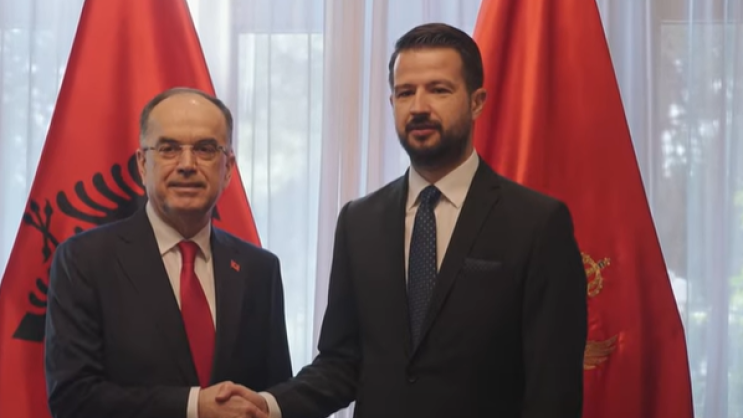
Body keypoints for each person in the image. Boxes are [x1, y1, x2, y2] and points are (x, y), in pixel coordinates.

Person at [221, 22, 587, 418]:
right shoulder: (359, 221)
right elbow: (341, 363)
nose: (419, 107)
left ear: (477, 102)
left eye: (439, 90)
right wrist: (270, 405)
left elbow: (553, 388)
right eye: (405, 92)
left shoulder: (537, 223)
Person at [44, 87, 292, 418]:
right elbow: (72, 398)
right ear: (143, 164)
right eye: (169, 149)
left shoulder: (259, 268)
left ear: (228, 168)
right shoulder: (84, 260)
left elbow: (274, 396)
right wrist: (193, 407)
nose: (187, 165)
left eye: (205, 149)